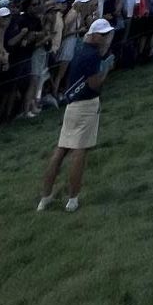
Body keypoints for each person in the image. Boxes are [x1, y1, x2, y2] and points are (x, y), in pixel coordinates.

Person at [36, 17, 115, 214]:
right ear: (94, 35)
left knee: (61, 150)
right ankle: (73, 199)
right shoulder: (92, 56)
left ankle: (45, 198)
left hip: (72, 105)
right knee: (80, 151)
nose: (106, 38)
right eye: (103, 35)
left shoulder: (82, 50)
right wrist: (106, 70)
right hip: (86, 105)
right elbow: (94, 83)